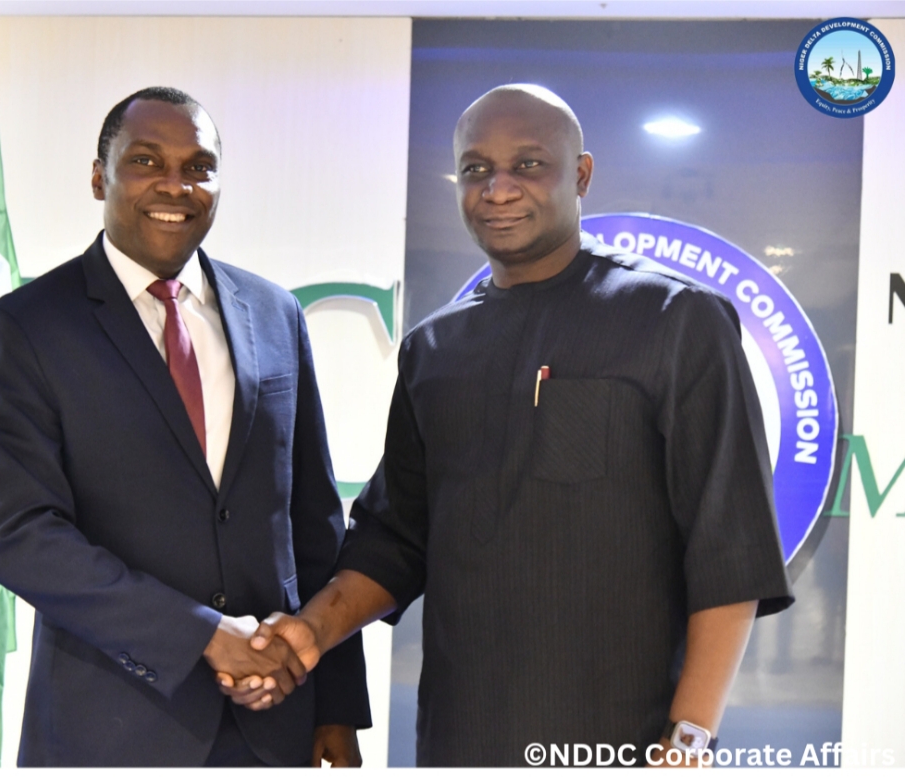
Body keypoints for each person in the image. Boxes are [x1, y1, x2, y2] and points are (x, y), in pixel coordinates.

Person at [241, 84, 794, 766]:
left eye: (528, 164)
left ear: (581, 174)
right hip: (459, 739)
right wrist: (311, 632)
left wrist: (689, 739)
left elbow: (728, 549)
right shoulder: (433, 347)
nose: (498, 189)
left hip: (622, 741)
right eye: (476, 169)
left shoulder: (675, 320)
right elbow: (395, 538)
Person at [0, 87, 369, 767]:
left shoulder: (275, 313)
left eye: (199, 167)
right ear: (99, 176)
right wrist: (203, 635)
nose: (176, 186)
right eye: (146, 161)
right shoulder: (29, 326)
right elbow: (22, 537)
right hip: (110, 729)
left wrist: (335, 704)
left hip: (273, 724)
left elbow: (313, 522)